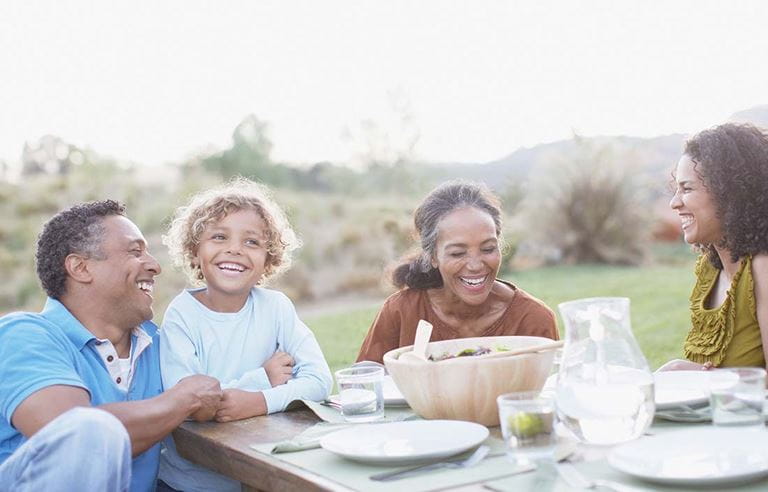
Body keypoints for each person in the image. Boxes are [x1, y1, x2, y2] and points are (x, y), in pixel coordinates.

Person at [0, 200, 223, 492]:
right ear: (80, 267)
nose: (155, 266)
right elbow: (76, 438)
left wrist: (268, 375)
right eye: (135, 251)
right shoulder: (24, 336)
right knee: (91, 428)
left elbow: (219, 387)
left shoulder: (161, 345)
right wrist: (183, 400)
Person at [158, 178, 332, 492]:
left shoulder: (276, 307)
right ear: (195, 250)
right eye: (219, 237)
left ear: (269, 257)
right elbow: (190, 405)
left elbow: (319, 381)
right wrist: (261, 379)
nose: (235, 249)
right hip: (190, 483)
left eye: (251, 242)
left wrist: (260, 402)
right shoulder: (181, 315)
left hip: (257, 475)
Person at [357, 180, 558, 363]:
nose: (475, 265)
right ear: (433, 256)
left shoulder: (533, 319)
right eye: (458, 253)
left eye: (488, 249)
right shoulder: (400, 313)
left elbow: (549, 394)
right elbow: (362, 388)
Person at [661, 123, 768, 371]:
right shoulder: (710, 269)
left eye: (686, 188)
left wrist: (694, 375)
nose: (674, 203)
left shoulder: (762, 268)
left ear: (728, 193)